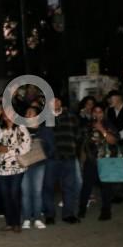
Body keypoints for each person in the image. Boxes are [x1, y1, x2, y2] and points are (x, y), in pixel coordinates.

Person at [43, 96, 82, 224]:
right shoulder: (45, 119)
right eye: (53, 100)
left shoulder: (71, 116)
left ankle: (68, 214)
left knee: (69, 187)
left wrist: (73, 148)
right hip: (52, 159)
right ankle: (49, 215)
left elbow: (78, 134)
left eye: (58, 100)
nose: (56, 102)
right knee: (48, 187)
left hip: (69, 157)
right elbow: (41, 139)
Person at [0, 109, 31, 233]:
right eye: (5, 113)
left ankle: (17, 223)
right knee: (5, 195)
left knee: (14, 193)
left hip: (17, 166)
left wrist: (8, 149)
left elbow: (26, 146)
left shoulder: (21, 127)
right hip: (2, 167)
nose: (8, 116)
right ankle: (9, 222)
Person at [80, 103, 119, 220]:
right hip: (91, 161)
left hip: (106, 161)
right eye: (95, 112)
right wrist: (82, 161)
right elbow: (83, 145)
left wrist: (102, 129)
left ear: (104, 113)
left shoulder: (109, 124)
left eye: (100, 112)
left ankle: (106, 211)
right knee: (86, 186)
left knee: (106, 187)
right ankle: (82, 209)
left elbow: (113, 141)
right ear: (92, 113)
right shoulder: (87, 125)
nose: (97, 114)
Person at [21, 106, 54, 229]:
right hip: (24, 165)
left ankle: (37, 218)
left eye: (32, 113)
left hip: (39, 165)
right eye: (27, 113)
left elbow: (51, 148)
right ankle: (26, 218)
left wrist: (43, 153)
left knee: (37, 192)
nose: (29, 115)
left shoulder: (45, 131)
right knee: (25, 192)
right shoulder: (21, 129)